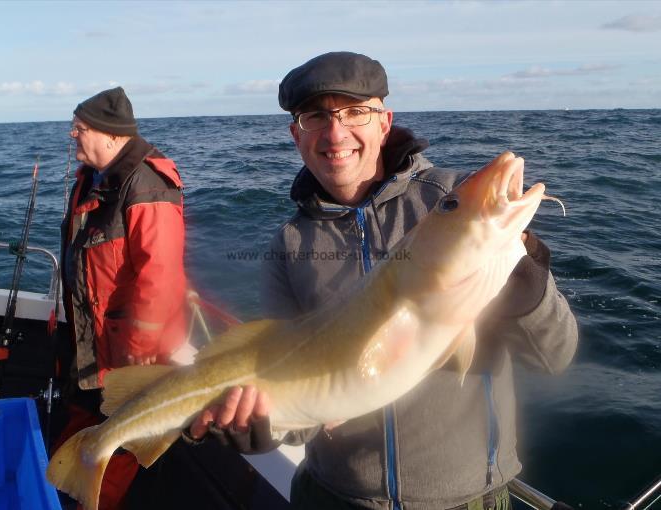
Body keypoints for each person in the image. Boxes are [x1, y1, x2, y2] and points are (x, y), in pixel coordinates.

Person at [188, 52, 578, 510]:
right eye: (316, 117)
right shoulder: (287, 247)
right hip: (331, 497)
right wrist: (259, 429)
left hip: (468, 497)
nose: (336, 134)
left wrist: (529, 289)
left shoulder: (447, 198)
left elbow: (554, 357)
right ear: (296, 134)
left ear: (385, 122)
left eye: (356, 112)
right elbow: (307, 410)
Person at [56, 86, 188, 509]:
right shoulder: (90, 181)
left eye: (79, 129)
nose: (72, 136)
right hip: (89, 346)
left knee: (118, 451)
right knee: (82, 423)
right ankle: (61, 490)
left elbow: (160, 277)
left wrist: (140, 356)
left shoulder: (147, 184)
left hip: (129, 357)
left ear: (111, 135)